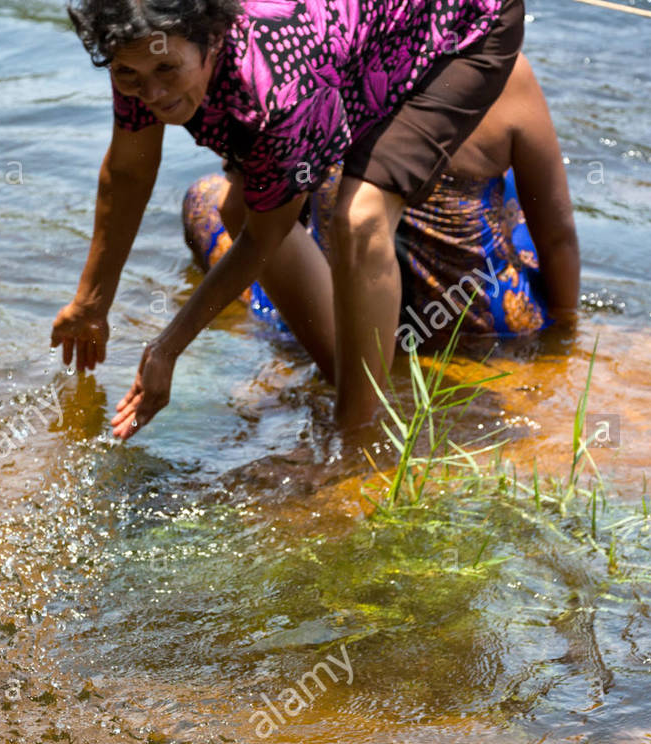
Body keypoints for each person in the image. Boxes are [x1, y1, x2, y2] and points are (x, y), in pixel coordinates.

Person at [52, 0, 527, 448]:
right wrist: (91, 302)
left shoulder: (277, 87)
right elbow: (130, 169)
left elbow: (267, 236)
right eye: (127, 76)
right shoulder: (142, 47)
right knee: (237, 210)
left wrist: (167, 348)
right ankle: (350, 378)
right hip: (356, 29)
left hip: (464, 21)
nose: (151, 95)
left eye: (167, 72)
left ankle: (360, 440)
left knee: (360, 217)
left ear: (213, 39)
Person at [182, 52, 579, 355]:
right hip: (475, 321)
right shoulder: (501, 68)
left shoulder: (304, 57)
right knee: (516, 192)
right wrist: (565, 332)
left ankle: (273, 327)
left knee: (206, 195)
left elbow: (261, 199)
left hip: (340, 321)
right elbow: (558, 234)